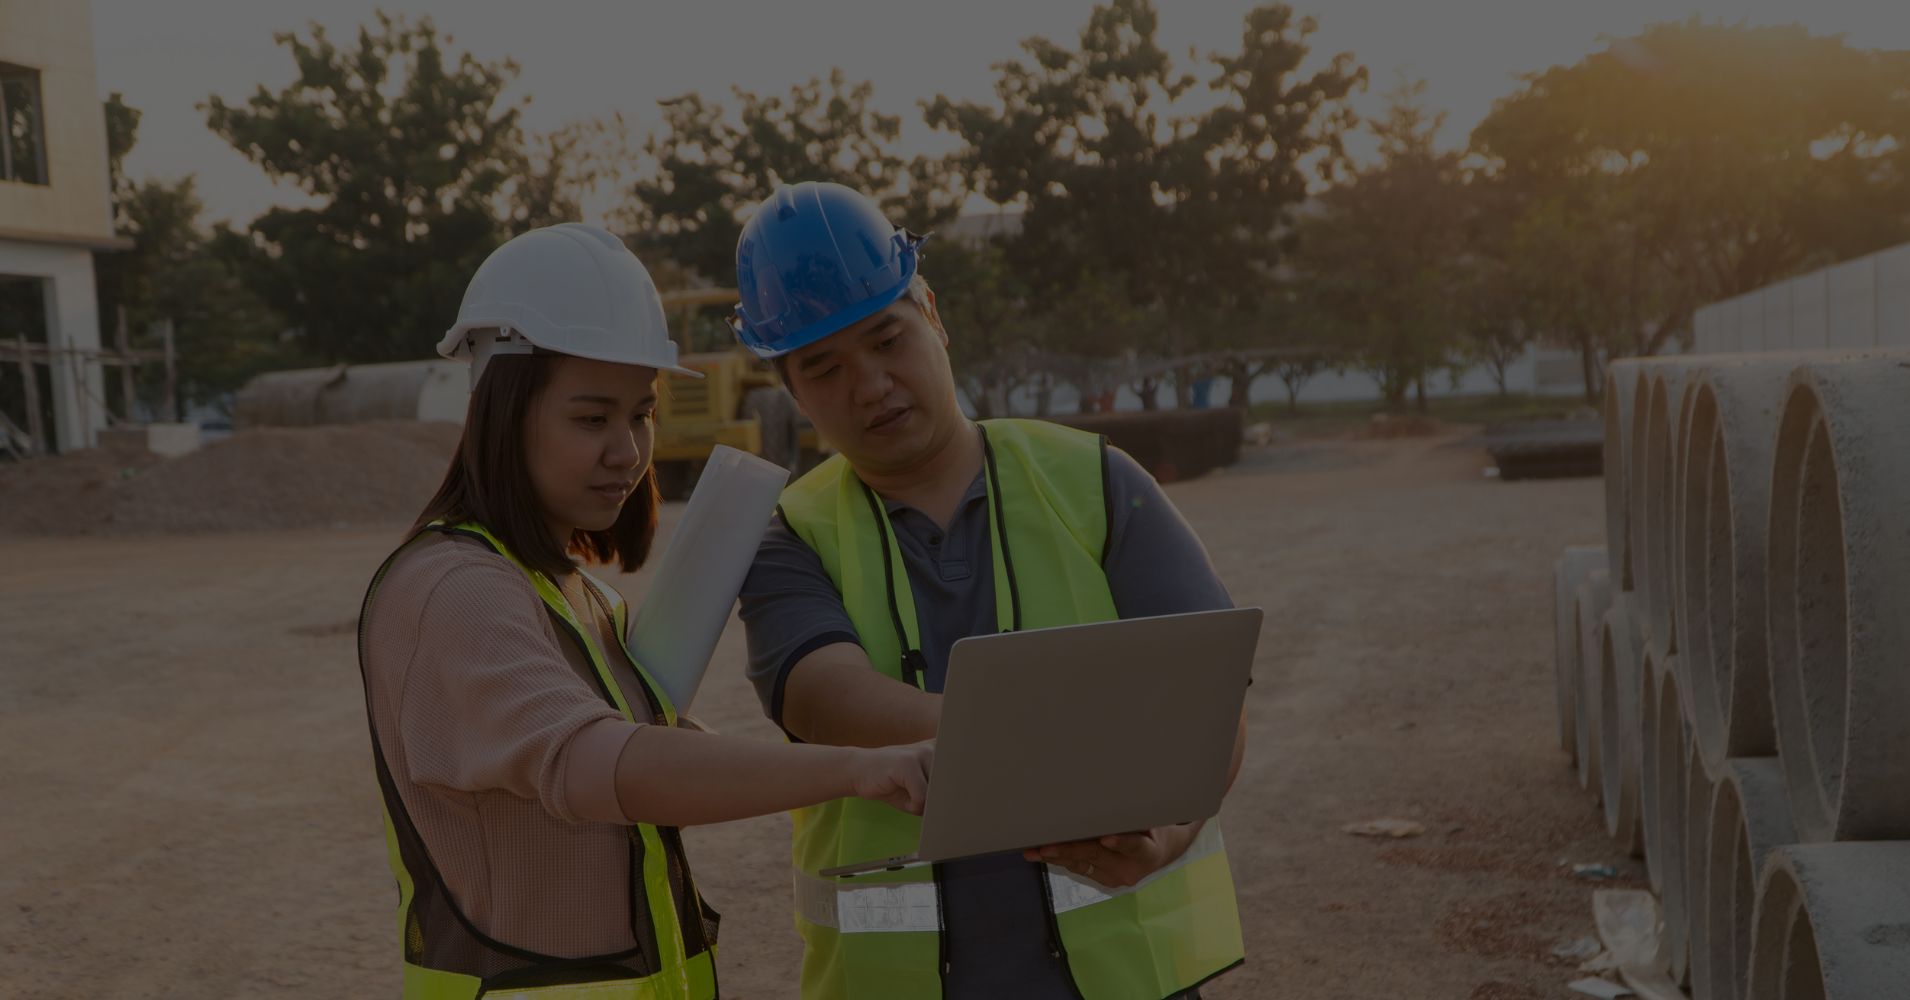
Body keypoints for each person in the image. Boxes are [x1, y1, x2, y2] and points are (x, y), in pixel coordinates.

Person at [355, 222, 933, 1000]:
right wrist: (860, 768)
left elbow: (660, 754)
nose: (628, 451)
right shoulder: (454, 589)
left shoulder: (577, 594)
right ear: (500, 409)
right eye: (591, 419)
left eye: (640, 413)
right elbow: (599, 765)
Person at [730, 183, 1248, 1000]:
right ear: (793, 391)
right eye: (824, 368)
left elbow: (1210, 701)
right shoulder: (789, 535)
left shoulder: (1099, 483)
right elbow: (825, 696)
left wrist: (1171, 833)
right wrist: (1052, 747)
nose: (870, 386)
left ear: (932, 314)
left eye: (887, 340)